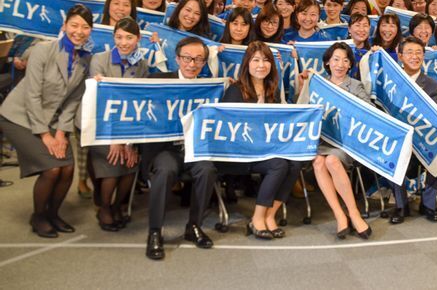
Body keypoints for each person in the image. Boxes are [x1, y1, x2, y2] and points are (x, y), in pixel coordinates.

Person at [0, 4, 93, 238]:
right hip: (18, 116)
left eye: (85, 27)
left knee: (68, 168)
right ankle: (39, 216)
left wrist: (61, 133)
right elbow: (32, 95)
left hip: (53, 120)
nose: (79, 31)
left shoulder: (85, 59)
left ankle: (53, 214)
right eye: (74, 25)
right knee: (52, 169)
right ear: (64, 26)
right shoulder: (43, 50)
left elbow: (73, 100)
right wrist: (45, 135)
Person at [141, 37, 218, 260]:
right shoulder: (156, 81)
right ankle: (155, 231)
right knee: (165, 170)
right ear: (177, 59)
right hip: (164, 149)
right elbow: (131, 101)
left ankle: (193, 226)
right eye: (187, 58)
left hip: (194, 149)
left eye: (198, 59)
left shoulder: (210, 87)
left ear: (204, 62)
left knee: (207, 170)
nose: (192, 64)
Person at [222, 42, 300, 239]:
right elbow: (227, 129)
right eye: (256, 60)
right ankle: (257, 219)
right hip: (239, 153)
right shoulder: (235, 90)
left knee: (296, 163)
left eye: (266, 60)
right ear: (247, 64)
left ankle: (270, 215)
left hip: (265, 150)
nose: (261, 65)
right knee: (279, 165)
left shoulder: (272, 91)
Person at [297, 42, 372, 240]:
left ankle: (353, 213)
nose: (340, 64)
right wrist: (302, 85)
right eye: (336, 59)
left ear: (350, 65)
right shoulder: (317, 83)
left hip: (345, 142)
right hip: (322, 140)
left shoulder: (355, 85)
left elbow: (369, 111)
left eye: (345, 60)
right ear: (328, 63)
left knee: (331, 160)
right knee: (318, 161)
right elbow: (303, 111)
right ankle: (339, 214)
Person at [88, 17, 148, 231]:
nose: (124, 42)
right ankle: (104, 208)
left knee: (131, 165)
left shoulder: (142, 64)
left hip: (127, 126)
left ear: (138, 39)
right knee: (113, 164)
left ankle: (116, 206)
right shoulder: (99, 59)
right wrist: (114, 140)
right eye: (119, 37)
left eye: (129, 37)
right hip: (100, 125)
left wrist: (129, 143)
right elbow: (99, 102)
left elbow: (138, 104)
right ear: (113, 37)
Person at [390, 37, 437, 224]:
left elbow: (435, 116)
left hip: (422, 137)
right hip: (398, 137)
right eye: (410, 52)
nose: (414, 56)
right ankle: (401, 205)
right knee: (390, 154)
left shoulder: (432, 85)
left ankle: (428, 203)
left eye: (419, 52)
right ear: (400, 56)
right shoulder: (390, 81)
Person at [347, 12, 371, 78]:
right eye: (357, 25)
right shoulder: (341, 50)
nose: (361, 29)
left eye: (365, 25)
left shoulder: (371, 53)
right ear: (349, 29)